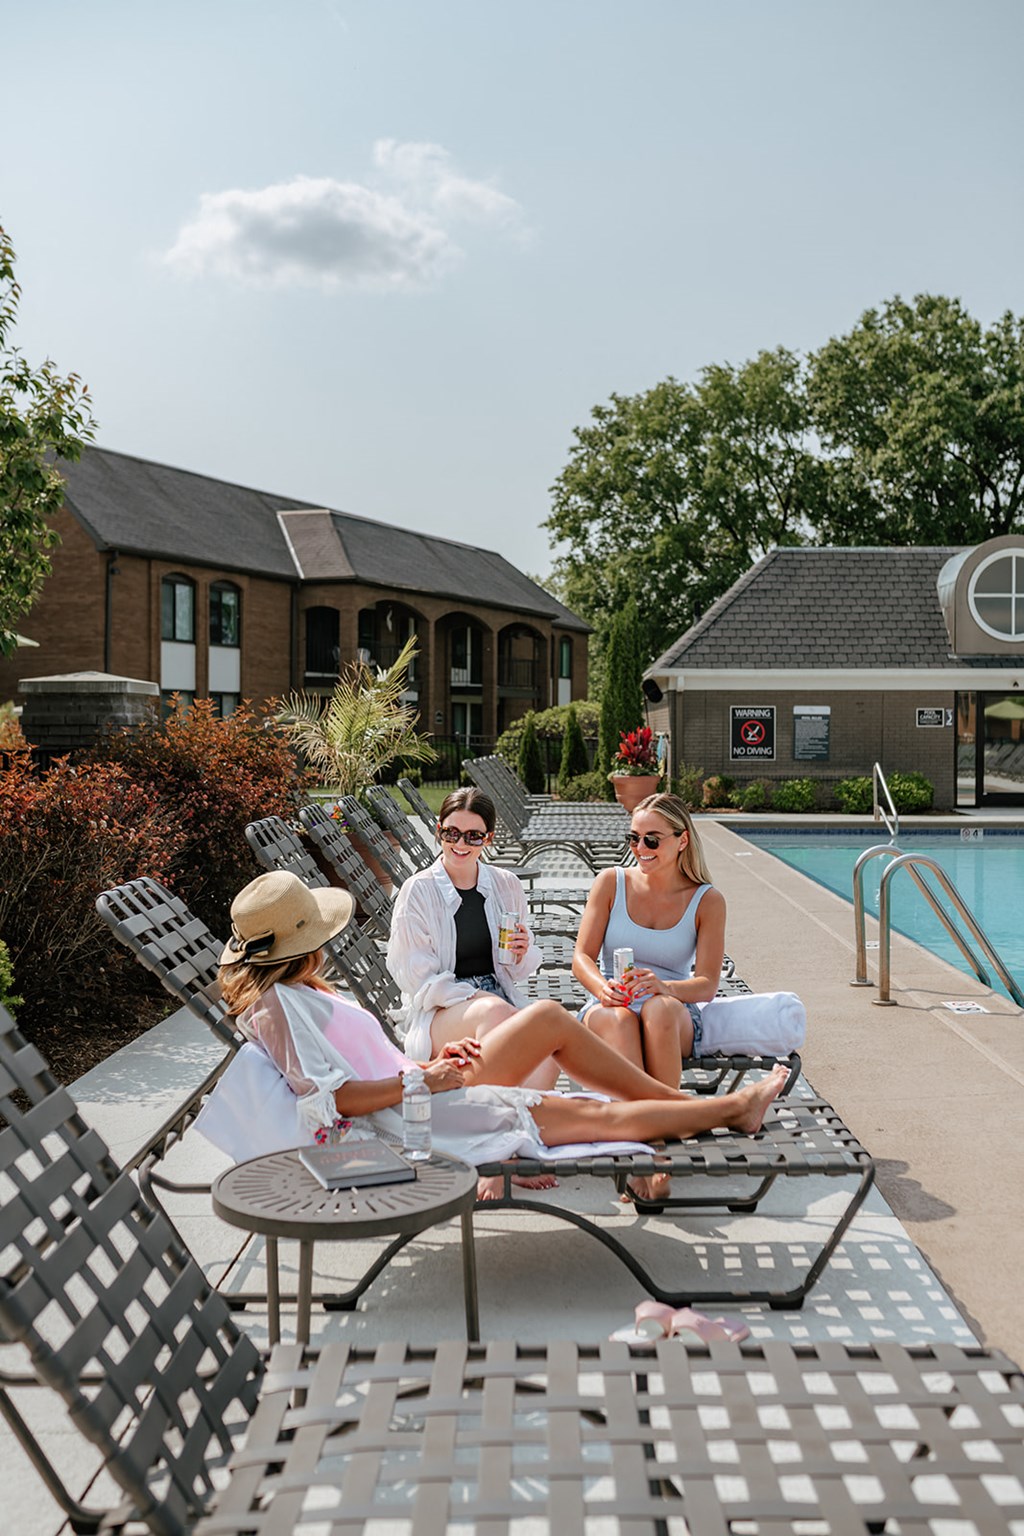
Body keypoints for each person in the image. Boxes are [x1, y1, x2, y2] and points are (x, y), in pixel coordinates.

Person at [198, 870, 789, 1202]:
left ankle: (716, 1112)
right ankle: (721, 1109)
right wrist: (424, 1077)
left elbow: (359, 1069)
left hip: (424, 1093)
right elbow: (330, 1100)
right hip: (415, 1116)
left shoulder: (296, 994)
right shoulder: (280, 1008)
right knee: (570, 1068)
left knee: (575, 1087)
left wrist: (433, 1066)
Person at [573, 792, 726, 1204]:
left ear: (682, 841)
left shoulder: (706, 901)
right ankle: (653, 1149)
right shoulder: (611, 883)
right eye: (634, 839)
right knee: (621, 1020)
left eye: (652, 840)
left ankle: (651, 1147)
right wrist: (601, 988)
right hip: (611, 1002)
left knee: (657, 1010)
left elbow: (707, 983)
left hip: (672, 1010)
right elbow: (581, 958)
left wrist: (664, 987)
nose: (640, 849)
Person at [386, 787, 557, 1090]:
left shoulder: (507, 886)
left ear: (488, 838)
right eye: (451, 833)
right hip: (437, 1010)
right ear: (438, 832)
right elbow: (416, 980)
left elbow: (515, 972)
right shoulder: (418, 892)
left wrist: (521, 952)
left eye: (473, 836)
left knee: (548, 1048)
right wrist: (477, 996)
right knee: (495, 1014)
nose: (460, 843)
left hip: (497, 998)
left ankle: (525, 1123)